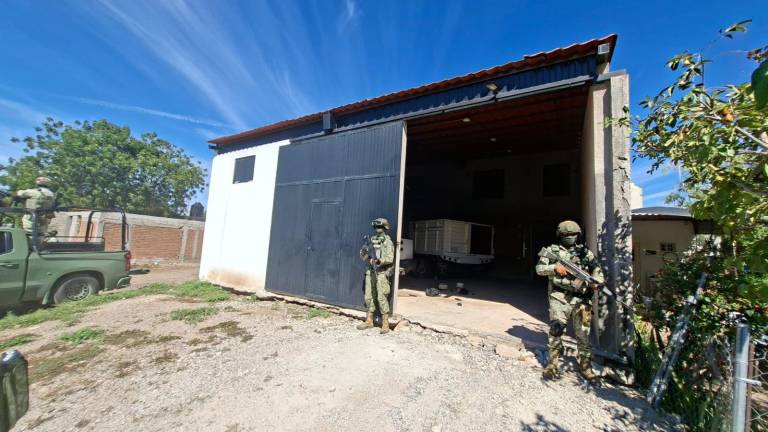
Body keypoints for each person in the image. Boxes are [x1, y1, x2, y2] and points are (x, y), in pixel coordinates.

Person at [535, 220, 603, 381]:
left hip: (581, 300)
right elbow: (539, 269)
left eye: (573, 234)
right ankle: (553, 365)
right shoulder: (552, 251)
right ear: (560, 235)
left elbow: (597, 271)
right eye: (567, 235)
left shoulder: (585, 253)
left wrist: (597, 282)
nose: (570, 237)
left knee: (583, 335)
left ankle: (586, 368)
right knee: (556, 330)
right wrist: (554, 268)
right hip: (559, 297)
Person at [357, 217, 395, 334]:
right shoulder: (371, 240)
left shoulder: (388, 242)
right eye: (376, 226)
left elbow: (390, 258)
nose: (378, 229)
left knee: (381, 297)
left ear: (385, 227)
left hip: (381, 272)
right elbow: (363, 257)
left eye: (380, 226)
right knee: (369, 296)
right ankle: (369, 321)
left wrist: (379, 261)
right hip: (371, 271)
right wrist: (364, 253)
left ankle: (385, 323)